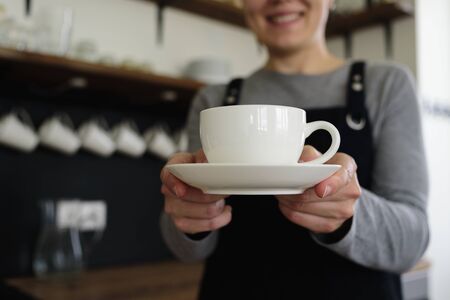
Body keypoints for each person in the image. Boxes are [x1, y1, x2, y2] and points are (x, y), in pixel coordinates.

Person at [159, 0, 429, 299]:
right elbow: (183, 249)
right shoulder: (213, 99)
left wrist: (348, 213)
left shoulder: (387, 85)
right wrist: (188, 212)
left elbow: (412, 243)